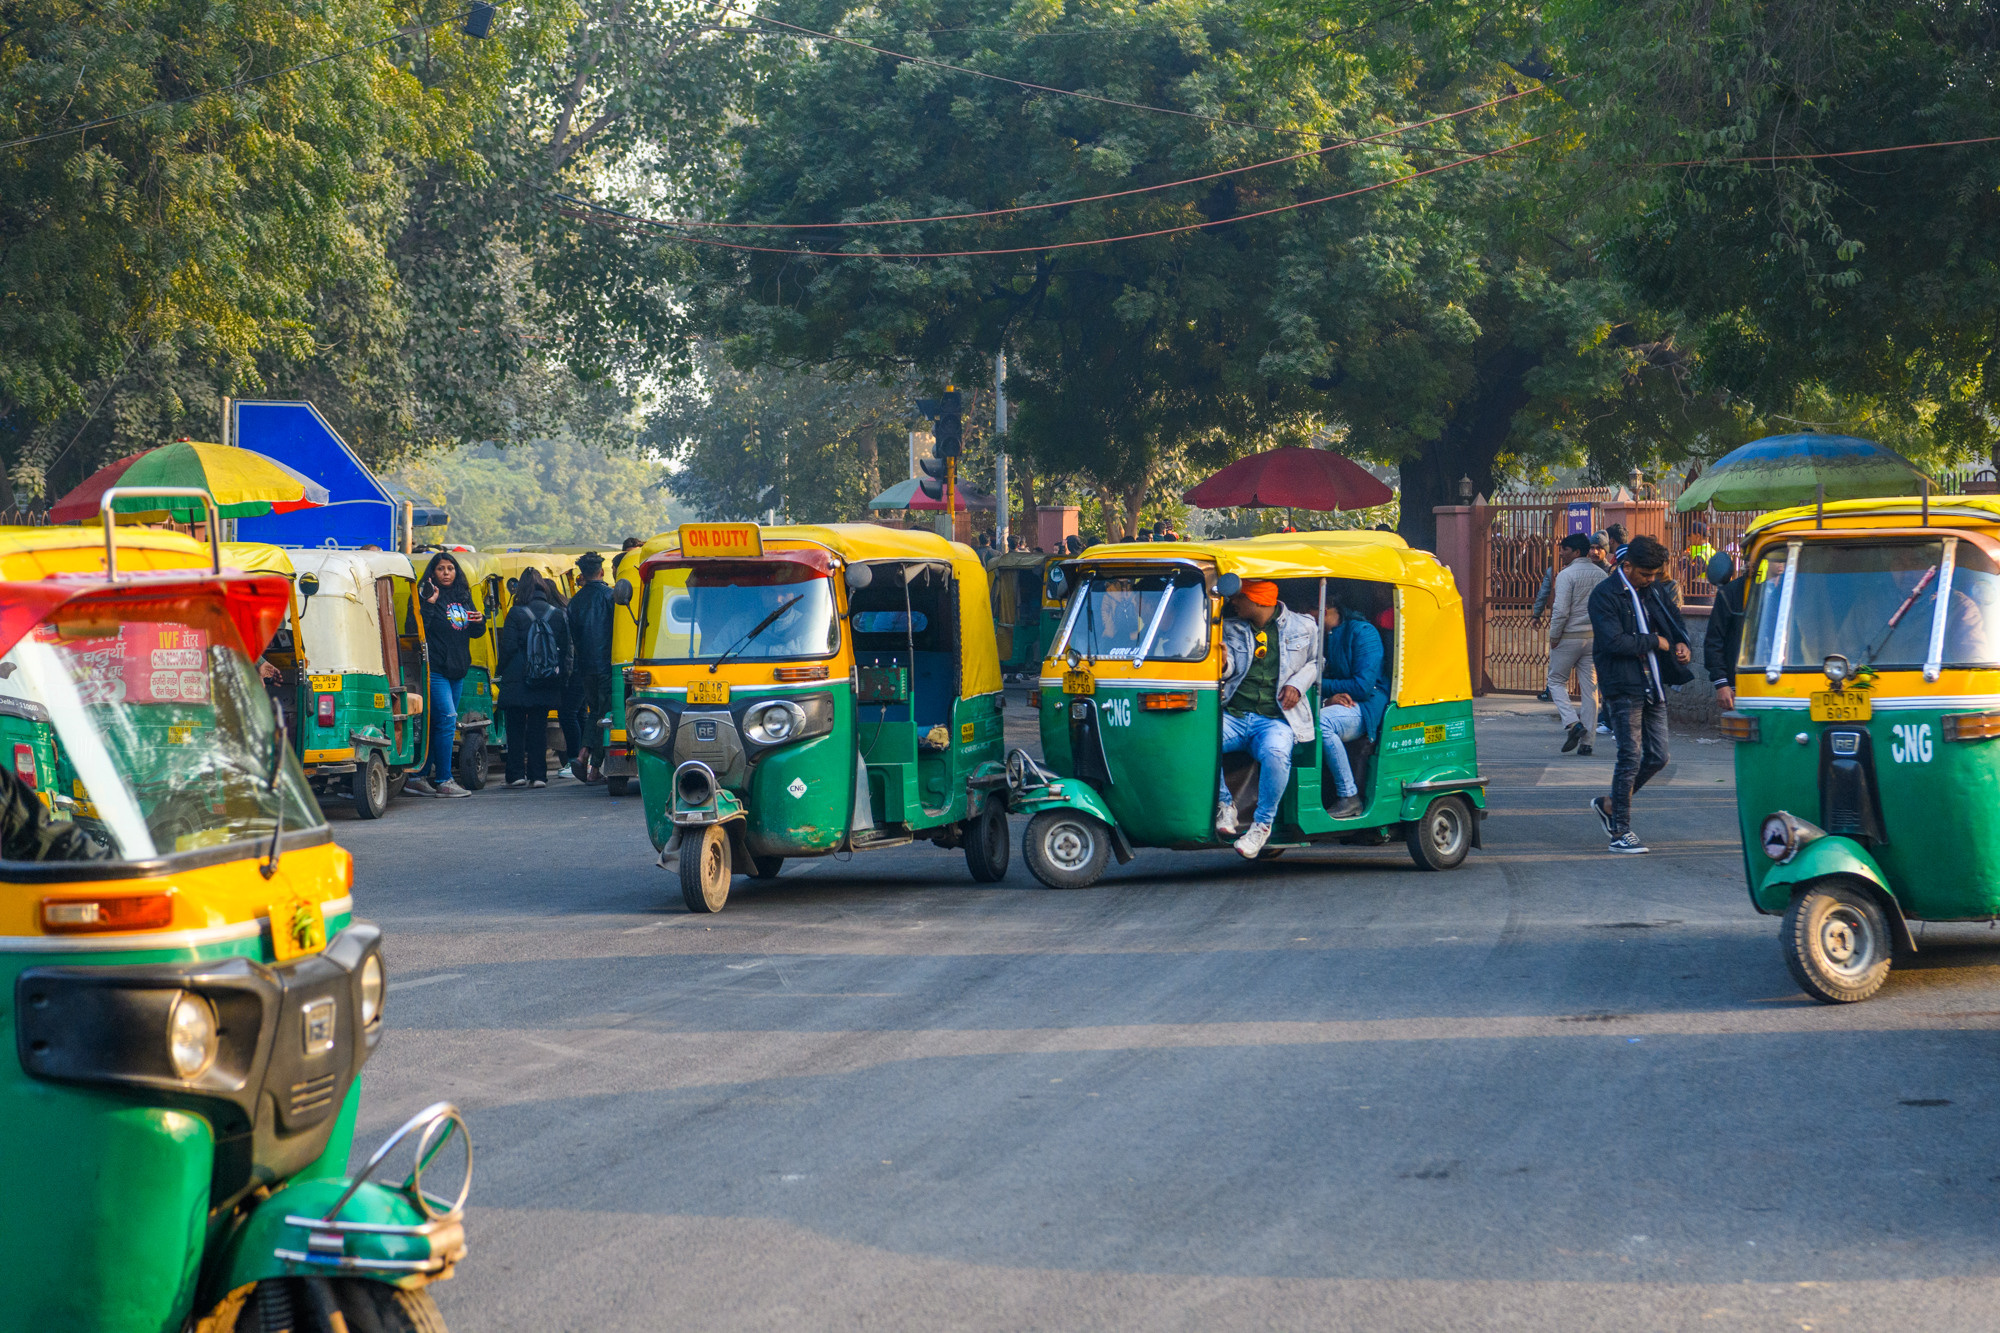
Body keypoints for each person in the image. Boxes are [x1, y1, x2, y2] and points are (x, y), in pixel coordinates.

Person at [1588, 535, 1692, 853]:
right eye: (1645, 574)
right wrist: (1655, 642)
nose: (1650, 580)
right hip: (1621, 686)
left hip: (1653, 683)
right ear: (1627, 565)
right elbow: (1613, 642)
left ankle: (1610, 805)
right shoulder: (1604, 595)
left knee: (1659, 756)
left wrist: (1680, 643)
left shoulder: (1653, 590)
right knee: (1630, 756)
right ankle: (1620, 832)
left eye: (1654, 575)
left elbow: (1672, 621)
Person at [1214, 579, 1318, 858]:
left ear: (1258, 600)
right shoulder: (1230, 627)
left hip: (1275, 719)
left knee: (1276, 753)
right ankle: (1225, 806)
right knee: (1201, 741)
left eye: (1240, 597)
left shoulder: (1305, 626)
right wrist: (1222, 664)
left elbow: (1315, 663)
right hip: (1234, 714)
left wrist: (1298, 684)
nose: (1233, 602)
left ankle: (1261, 826)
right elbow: (1230, 669)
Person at [409, 552, 484, 797]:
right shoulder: (426, 595)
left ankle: (418, 777)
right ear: (433, 573)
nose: (446, 573)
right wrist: (429, 604)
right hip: (436, 669)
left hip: (458, 670)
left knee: (438, 723)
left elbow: (474, 633)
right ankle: (444, 779)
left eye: (450, 568)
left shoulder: (463, 596)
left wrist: (479, 621)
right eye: (441, 568)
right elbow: (416, 629)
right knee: (449, 718)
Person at [497, 566, 572, 789]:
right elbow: (564, 648)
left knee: (516, 728)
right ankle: (539, 775)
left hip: (517, 679)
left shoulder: (515, 613)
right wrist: (562, 677)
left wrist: (501, 671)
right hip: (545, 679)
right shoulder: (556, 614)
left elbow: (508, 647)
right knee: (539, 728)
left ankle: (516, 774)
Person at [1317, 601, 1386, 819]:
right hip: (1336, 700)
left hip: (1364, 705)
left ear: (1324, 608)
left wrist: (1318, 687)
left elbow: (1362, 687)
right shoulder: (1321, 635)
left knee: (1321, 723)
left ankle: (1349, 796)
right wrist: (1327, 695)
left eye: (1306, 612)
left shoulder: (1363, 633)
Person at [1546, 532, 1607, 755]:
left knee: (1555, 681)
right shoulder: (1601, 575)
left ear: (1577, 552)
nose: (1561, 553)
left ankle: (1573, 723)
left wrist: (1554, 636)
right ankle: (1588, 742)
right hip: (1593, 639)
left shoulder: (1566, 575)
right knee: (1591, 690)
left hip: (1568, 637)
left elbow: (1561, 611)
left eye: (1565, 549)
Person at [565, 551, 616, 781]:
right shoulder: (610, 596)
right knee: (605, 715)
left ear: (582, 574)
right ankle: (593, 765)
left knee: (594, 711)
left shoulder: (574, 602)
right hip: (607, 665)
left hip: (585, 667)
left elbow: (574, 637)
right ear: (602, 572)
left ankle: (585, 757)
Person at [1703, 551, 1745, 714]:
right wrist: (1721, 683)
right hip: (1740, 684)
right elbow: (1714, 640)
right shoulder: (1731, 593)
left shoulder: (1789, 592)